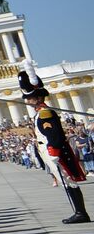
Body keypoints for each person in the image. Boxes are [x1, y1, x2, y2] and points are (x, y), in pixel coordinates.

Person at [20, 62, 89, 223]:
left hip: (57, 153)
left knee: (69, 181)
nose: (27, 101)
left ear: (37, 98)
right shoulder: (41, 113)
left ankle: (81, 213)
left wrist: (53, 153)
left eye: (29, 98)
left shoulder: (45, 113)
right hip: (52, 152)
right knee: (67, 181)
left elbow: (54, 136)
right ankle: (80, 212)